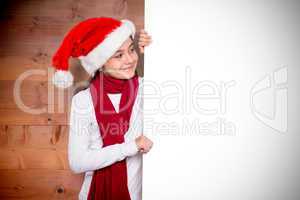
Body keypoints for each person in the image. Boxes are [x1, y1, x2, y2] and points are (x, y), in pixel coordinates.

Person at [51, 17, 153, 200]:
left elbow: (177, 65)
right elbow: (78, 162)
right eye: (118, 55)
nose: (130, 59)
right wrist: (131, 147)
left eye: (132, 50)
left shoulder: (147, 89)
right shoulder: (83, 101)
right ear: (101, 63)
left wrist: (156, 48)